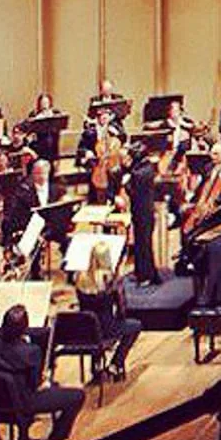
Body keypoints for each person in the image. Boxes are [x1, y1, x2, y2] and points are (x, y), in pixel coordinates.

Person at [0, 304, 84, 440]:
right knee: (77, 396)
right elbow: (36, 384)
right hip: (22, 403)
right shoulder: (31, 351)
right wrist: (45, 380)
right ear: (25, 328)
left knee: (30, 389)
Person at [75, 240, 142, 379]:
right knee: (135, 326)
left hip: (85, 330)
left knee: (95, 322)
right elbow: (122, 312)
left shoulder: (79, 278)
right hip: (106, 329)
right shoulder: (110, 280)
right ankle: (116, 363)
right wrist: (119, 285)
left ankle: (96, 366)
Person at [127, 148, 160, 286]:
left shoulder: (138, 173)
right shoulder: (147, 167)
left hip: (142, 213)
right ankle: (144, 273)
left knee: (143, 246)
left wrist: (126, 183)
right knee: (143, 245)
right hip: (145, 212)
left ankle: (146, 276)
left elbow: (132, 191)